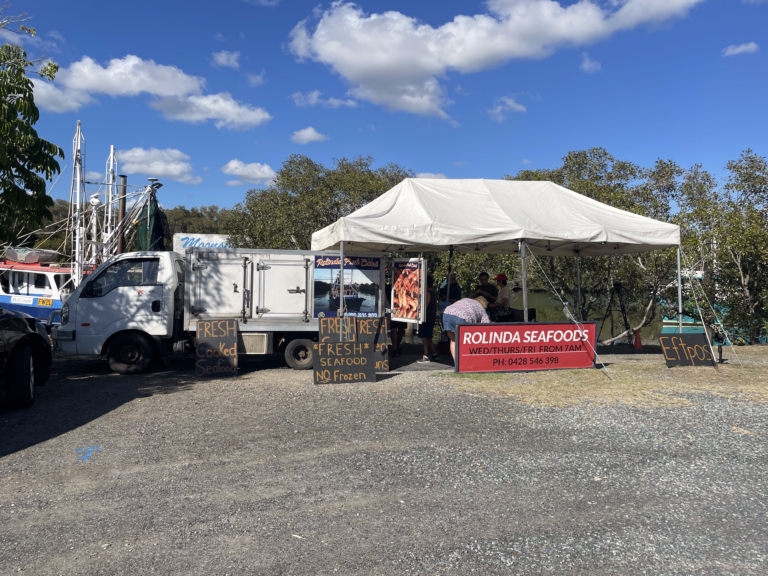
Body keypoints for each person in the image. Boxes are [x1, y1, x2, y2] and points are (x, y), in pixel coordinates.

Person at [442, 296, 491, 362]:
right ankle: (465, 362)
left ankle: (456, 363)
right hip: (462, 317)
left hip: (447, 314)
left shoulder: (465, 300)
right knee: (464, 341)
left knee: (453, 340)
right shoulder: (480, 307)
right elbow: (486, 324)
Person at [417, 275, 440, 363]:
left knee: (424, 336)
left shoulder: (427, 293)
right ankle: (434, 353)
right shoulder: (433, 293)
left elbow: (424, 307)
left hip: (426, 317)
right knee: (429, 336)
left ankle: (426, 355)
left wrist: (418, 313)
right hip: (431, 317)